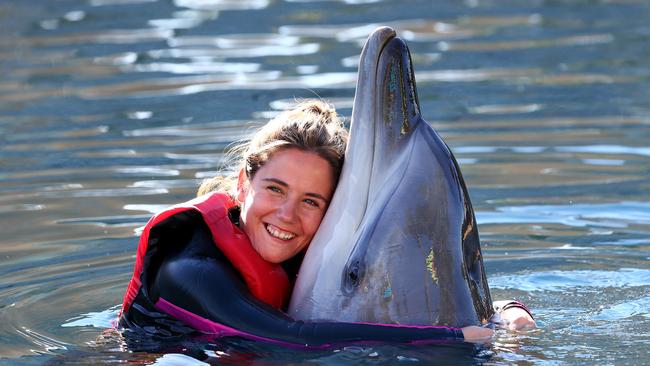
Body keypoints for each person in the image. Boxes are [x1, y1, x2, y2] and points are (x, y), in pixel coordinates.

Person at [119, 100, 533, 347]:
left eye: (310, 201)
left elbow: (410, 294)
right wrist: (455, 339)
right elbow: (288, 338)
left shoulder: (300, 254)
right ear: (244, 184)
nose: (286, 216)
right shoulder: (189, 271)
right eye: (275, 189)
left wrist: (502, 313)